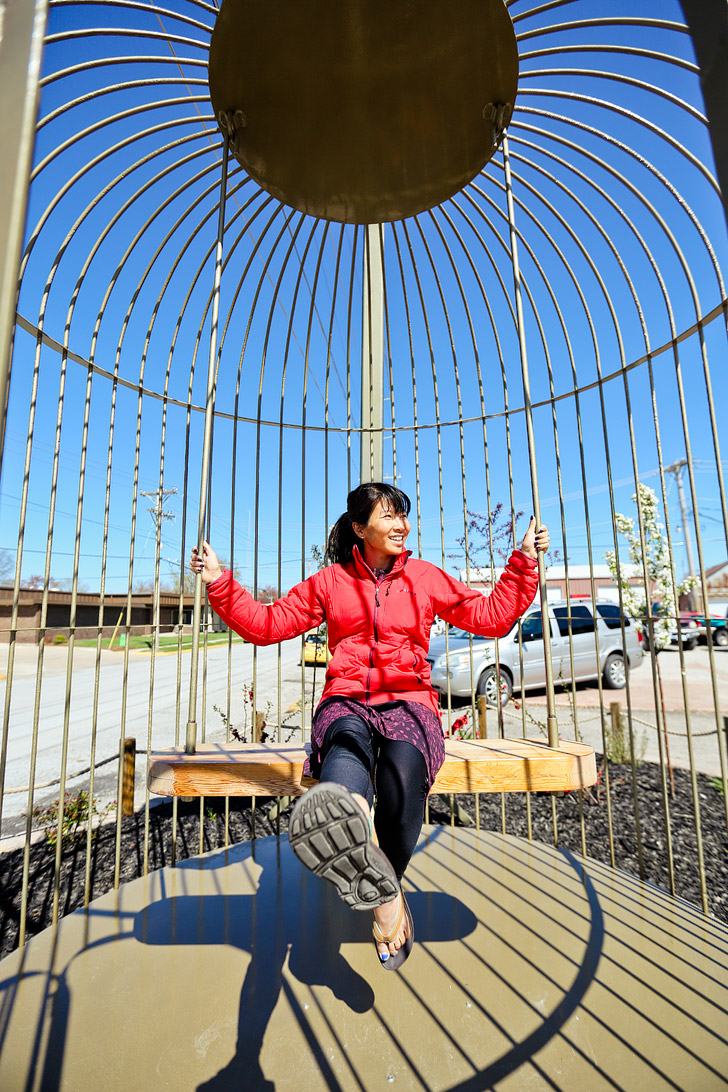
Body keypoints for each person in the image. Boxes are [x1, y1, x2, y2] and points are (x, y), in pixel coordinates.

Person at [191, 483, 548, 971]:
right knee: (343, 778)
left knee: (403, 784)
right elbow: (266, 624)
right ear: (360, 529)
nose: (402, 524)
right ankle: (377, 879)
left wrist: (523, 561)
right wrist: (218, 581)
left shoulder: (424, 578)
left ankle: (381, 879)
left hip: (407, 702)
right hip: (348, 703)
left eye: (404, 515)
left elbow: (490, 617)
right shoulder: (330, 583)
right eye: (390, 516)